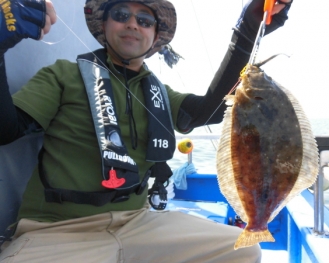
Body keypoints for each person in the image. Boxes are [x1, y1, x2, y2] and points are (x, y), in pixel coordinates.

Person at [0, 0, 292, 262]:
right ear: (104, 25)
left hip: (137, 222)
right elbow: (7, 129)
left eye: (145, 20)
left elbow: (210, 110)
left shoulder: (159, 93)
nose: (132, 24)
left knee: (244, 250)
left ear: (154, 37)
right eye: (121, 14)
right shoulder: (62, 75)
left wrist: (249, 29)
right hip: (58, 229)